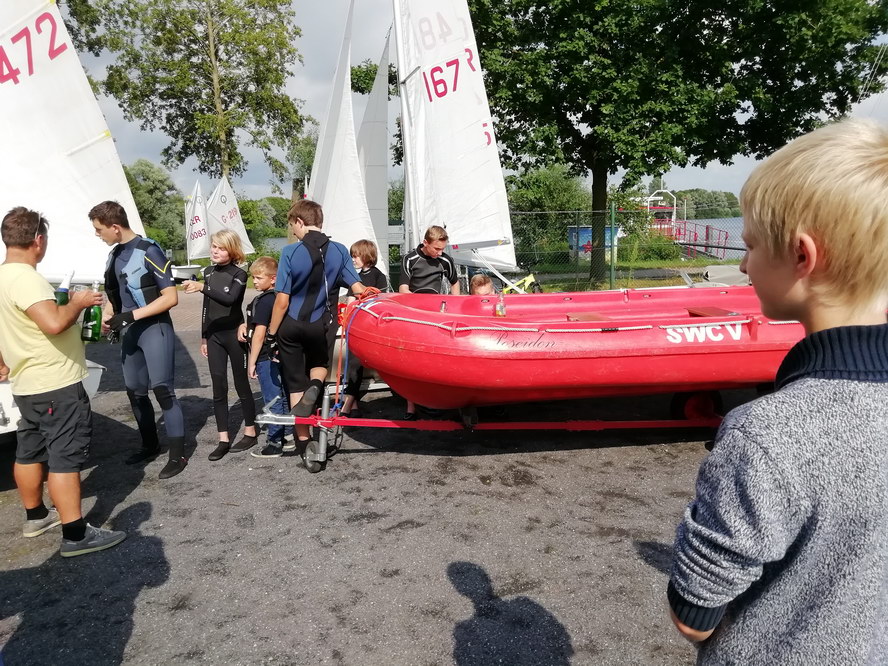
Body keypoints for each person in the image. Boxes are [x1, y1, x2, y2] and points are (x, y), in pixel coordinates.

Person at [667, 119, 888, 664]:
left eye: (750, 246)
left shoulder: (766, 434)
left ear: (801, 256)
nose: (743, 264)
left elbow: (694, 613)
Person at [0, 207, 126, 556]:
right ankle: (75, 535)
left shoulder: (2, 276)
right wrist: (79, 303)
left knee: (29, 450)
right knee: (64, 456)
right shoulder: (26, 279)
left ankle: (36, 516)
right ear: (38, 240)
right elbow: (53, 323)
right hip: (54, 380)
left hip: (26, 380)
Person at [91, 200, 187, 479]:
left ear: (115, 227)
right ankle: (149, 445)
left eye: (99, 230)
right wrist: (109, 315)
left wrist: (131, 316)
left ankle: (178, 455)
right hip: (130, 332)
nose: (97, 235)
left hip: (154, 328)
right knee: (135, 391)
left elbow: (171, 297)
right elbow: (117, 295)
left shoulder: (149, 251)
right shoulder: (114, 254)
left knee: (163, 389)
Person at [268, 200, 365, 451]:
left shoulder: (290, 252)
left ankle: (304, 443)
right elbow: (358, 289)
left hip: (291, 325)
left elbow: (282, 301)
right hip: (322, 326)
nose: (293, 231)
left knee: (294, 383)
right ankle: (316, 386)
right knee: (318, 366)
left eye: (293, 226)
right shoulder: (340, 250)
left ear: (300, 222)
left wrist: (271, 333)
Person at [182, 230, 257, 460]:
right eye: (214, 246)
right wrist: (204, 336)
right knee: (218, 386)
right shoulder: (208, 272)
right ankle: (223, 438)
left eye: (221, 248)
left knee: (241, 384)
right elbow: (207, 307)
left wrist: (201, 287)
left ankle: (250, 432)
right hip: (214, 336)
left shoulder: (239, 273)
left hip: (234, 335)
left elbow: (230, 299)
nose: (215, 251)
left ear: (232, 250)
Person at [398, 225, 460, 419]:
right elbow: (403, 289)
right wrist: (417, 306)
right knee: (410, 361)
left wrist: (454, 306)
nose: (439, 252)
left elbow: (454, 282)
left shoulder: (444, 260)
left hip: (436, 315)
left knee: (434, 359)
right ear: (425, 242)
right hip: (415, 313)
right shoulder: (410, 259)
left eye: (442, 249)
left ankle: (437, 400)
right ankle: (410, 406)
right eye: (436, 248)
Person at [237, 256, 292, 458]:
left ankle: (274, 442)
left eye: (259, 277)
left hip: (264, 356)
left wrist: (252, 362)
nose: (255, 281)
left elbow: (259, 334)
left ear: (273, 278)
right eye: (253, 277)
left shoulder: (264, 301)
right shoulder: (277, 297)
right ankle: (288, 436)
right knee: (282, 395)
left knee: (272, 398)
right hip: (278, 354)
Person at [341, 239, 388, 418]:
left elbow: (380, 302)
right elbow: (350, 301)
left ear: (366, 256)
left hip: (370, 328)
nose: (353, 259)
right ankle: (351, 405)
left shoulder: (378, 276)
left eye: (356, 256)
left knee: (357, 364)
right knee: (352, 365)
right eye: (352, 256)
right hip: (356, 326)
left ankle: (349, 405)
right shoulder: (354, 277)